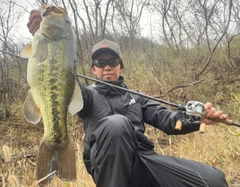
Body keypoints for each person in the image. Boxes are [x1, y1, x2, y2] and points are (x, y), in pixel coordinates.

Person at [27, 10, 229, 187]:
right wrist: (47, 46)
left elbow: (167, 120)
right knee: (116, 124)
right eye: (100, 62)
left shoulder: (137, 96)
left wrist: (195, 119)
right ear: (93, 68)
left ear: (120, 66)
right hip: (105, 164)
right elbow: (62, 82)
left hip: (143, 160)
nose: (107, 66)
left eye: (113, 61)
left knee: (214, 180)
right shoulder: (86, 95)